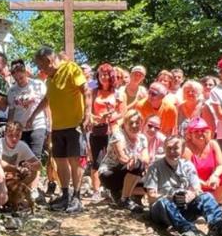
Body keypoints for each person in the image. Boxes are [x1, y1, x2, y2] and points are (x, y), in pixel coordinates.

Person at [23, 47, 86, 213]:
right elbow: (47, 99)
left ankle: (77, 197)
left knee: (75, 161)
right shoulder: (50, 79)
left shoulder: (71, 69)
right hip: (57, 127)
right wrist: (32, 116)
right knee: (60, 161)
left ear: (49, 61)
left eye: (41, 65)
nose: (40, 69)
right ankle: (65, 195)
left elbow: (86, 90)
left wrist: (88, 115)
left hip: (74, 125)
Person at [142, 135, 222, 236]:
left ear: (182, 150)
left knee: (206, 196)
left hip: (184, 207)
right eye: (169, 148)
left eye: (176, 148)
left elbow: (197, 189)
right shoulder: (155, 167)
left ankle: (217, 226)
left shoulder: (187, 166)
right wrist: (171, 197)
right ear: (164, 149)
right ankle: (187, 230)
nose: (172, 151)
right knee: (164, 202)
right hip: (162, 210)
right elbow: (151, 196)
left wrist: (190, 195)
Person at [99, 110, 150, 210]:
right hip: (110, 173)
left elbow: (146, 159)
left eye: (137, 123)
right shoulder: (118, 135)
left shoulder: (143, 138)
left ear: (141, 124)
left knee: (151, 183)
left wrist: (138, 158)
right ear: (125, 124)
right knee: (137, 164)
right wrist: (136, 159)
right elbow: (122, 158)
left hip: (130, 174)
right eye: (131, 123)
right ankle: (125, 200)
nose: (134, 125)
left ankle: (119, 193)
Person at [88, 63, 125, 198]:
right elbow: (88, 111)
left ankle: (111, 189)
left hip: (113, 130)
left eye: (107, 74)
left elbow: (122, 112)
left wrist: (110, 117)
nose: (104, 77)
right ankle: (96, 191)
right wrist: (96, 118)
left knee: (112, 161)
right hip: (97, 130)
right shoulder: (93, 90)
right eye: (101, 74)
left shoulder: (117, 92)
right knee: (97, 161)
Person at [7, 59, 48, 164]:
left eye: (21, 77)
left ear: (26, 72)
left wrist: (50, 125)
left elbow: (46, 105)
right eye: (16, 79)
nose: (19, 80)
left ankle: (34, 180)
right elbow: (11, 111)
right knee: (21, 159)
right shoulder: (12, 91)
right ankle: (23, 180)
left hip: (37, 125)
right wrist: (9, 128)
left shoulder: (38, 85)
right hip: (20, 128)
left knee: (34, 158)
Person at [181, 117, 222, 204]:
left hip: (210, 181)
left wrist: (215, 176)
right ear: (190, 134)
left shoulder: (213, 144)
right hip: (193, 183)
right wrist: (201, 183)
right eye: (196, 131)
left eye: (203, 130)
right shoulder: (186, 148)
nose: (200, 133)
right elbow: (186, 173)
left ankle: (213, 204)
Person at [0, 120, 41, 210]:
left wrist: (29, 166)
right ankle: (11, 199)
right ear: (5, 134)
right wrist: (16, 169)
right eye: (11, 135)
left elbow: (38, 164)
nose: (14, 139)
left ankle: (18, 196)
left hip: (13, 177)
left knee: (32, 172)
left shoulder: (22, 145)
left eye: (17, 135)